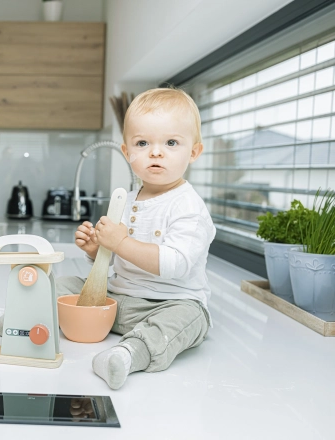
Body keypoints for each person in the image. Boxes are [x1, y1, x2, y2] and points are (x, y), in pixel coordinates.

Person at [59, 87, 216, 390]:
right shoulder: (128, 198)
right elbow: (116, 258)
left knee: (188, 319)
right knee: (60, 286)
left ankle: (126, 355)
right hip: (119, 300)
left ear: (194, 152)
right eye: (143, 143)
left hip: (169, 303)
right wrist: (97, 250)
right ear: (127, 151)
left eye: (171, 142)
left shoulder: (189, 206)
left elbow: (175, 265)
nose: (156, 152)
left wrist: (120, 242)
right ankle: (13, 322)